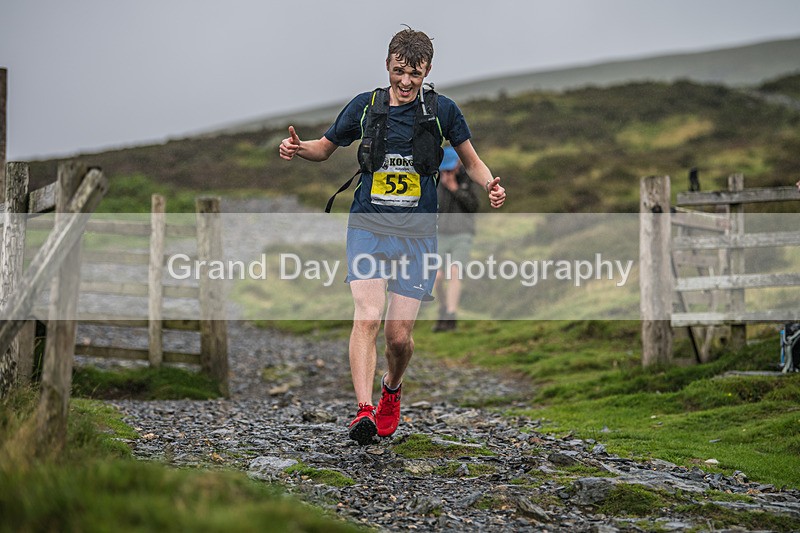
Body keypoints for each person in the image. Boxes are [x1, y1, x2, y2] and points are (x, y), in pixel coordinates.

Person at [279, 27, 506, 445]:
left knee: (398, 338)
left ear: (427, 72)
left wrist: (491, 183)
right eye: (399, 71)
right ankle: (362, 411)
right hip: (368, 227)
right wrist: (299, 148)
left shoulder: (443, 111)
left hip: (418, 237)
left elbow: (472, 161)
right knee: (368, 316)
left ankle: (391, 388)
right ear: (387, 65)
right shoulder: (364, 108)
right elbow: (325, 148)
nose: (405, 81)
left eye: (415, 74)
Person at [432, 146, 480, 332]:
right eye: (445, 168)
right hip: (440, 234)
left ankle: (451, 316)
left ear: (459, 163)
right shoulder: (436, 181)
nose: (448, 172)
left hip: (462, 234)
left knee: (454, 272)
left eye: (451, 168)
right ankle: (444, 308)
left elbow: (473, 206)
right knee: (436, 277)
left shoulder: (468, 178)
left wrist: (455, 188)